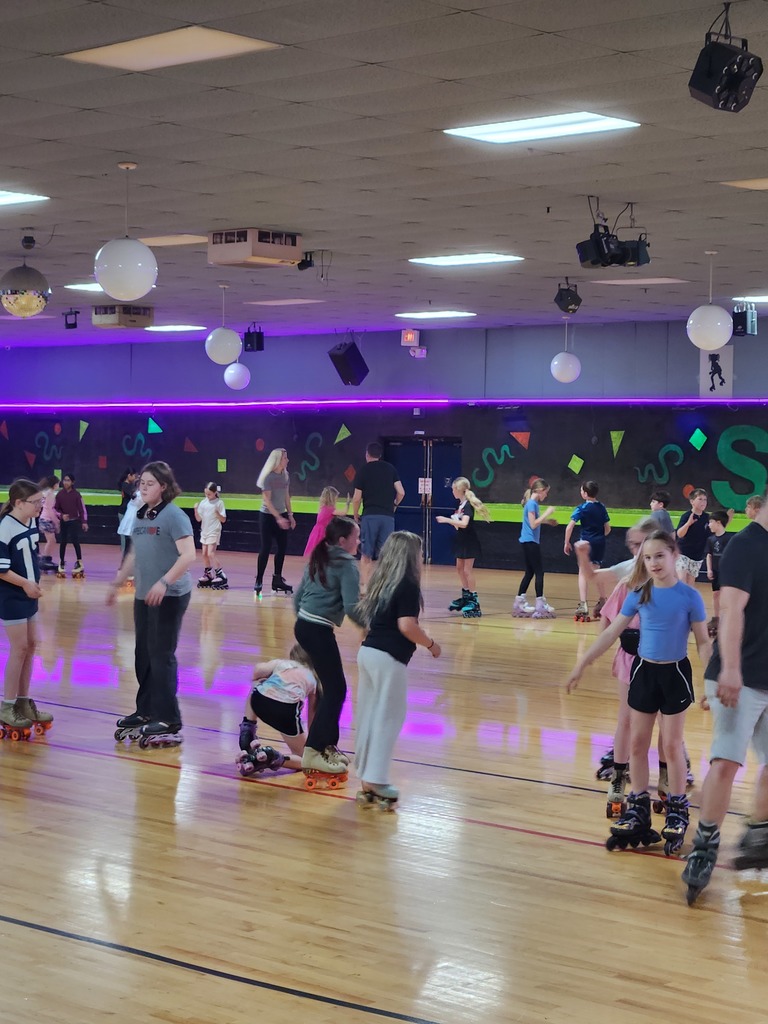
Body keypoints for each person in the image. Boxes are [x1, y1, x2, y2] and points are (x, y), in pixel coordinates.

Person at [566, 530, 710, 856]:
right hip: (643, 673)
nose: (654, 563)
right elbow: (612, 632)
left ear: (675, 555)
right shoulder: (639, 593)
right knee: (637, 743)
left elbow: (703, 642)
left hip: (674, 674)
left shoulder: (689, 597)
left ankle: (676, 808)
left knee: (672, 746)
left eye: (660, 555)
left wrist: (713, 681)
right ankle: (639, 805)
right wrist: (583, 663)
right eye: (647, 557)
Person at [682, 490, 768, 903]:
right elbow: (732, 610)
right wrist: (731, 668)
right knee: (727, 762)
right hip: (740, 677)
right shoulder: (745, 545)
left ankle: (758, 834)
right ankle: (705, 844)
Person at [108, 461, 196, 746]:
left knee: (161, 655)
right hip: (144, 594)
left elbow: (188, 556)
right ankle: (146, 711)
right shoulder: (140, 513)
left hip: (170, 595)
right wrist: (118, 581)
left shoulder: (174, 516)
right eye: (141, 483)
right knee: (142, 655)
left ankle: (169, 718)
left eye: (150, 484)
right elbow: (134, 552)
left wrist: (164, 582)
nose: (143, 487)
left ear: (164, 487)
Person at [354, 532, 441, 809]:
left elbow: (367, 623)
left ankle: (366, 778)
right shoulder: (407, 586)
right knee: (389, 718)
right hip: (388, 658)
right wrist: (430, 644)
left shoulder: (380, 582)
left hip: (367, 653)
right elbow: (407, 626)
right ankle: (377, 780)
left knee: (369, 715)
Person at [293, 516, 361, 777]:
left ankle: (326, 744)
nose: (360, 541)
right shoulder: (347, 565)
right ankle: (313, 750)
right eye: (356, 536)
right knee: (336, 689)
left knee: (328, 688)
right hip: (318, 630)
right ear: (343, 541)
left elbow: (298, 598)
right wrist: (375, 625)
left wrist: (306, 619)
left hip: (304, 626)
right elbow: (353, 608)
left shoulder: (318, 557)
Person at [0, 479, 53, 737]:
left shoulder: (30, 521)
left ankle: (23, 701)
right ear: (18, 503)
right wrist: (25, 584)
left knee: (31, 646)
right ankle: (7, 705)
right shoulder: (5, 527)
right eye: (35, 503)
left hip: (29, 593)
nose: (39, 507)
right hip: (12, 595)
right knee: (19, 648)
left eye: (41, 502)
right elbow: (1, 569)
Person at [236, 643, 318, 775]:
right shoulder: (314, 681)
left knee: (259, 683)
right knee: (308, 760)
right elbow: (312, 718)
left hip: (259, 701)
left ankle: (247, 729)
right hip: (284, 711)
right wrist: (313, 746)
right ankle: (273, 757)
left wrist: (265, 676)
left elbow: (256, 670)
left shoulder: (282, 664)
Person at [435, 476, 490, 619]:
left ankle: (474, 600)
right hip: (461, 540)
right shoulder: (460, 505)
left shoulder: (467, 506)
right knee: (459, 568)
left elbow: (465, 524)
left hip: (469, 541)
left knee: (467, 570)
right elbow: (459, 524)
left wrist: (447, 520)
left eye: (454, 489)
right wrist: (454, 521)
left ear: (460, 490)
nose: (452, 491)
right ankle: (466, 595)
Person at [351, 441, 405, 588]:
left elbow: (356, 498)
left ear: (367, 454)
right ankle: (384, 586)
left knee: (366, 554)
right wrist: (394, 505)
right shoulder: (390, 469)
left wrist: (356, 515)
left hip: (370, 515)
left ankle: (366, 587)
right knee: (386, 554)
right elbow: (401, 492)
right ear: (380, 455)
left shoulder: (363, 471)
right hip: (387, 517)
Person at [564, 480, 610, 621]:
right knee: (596, 572)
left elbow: (569, 526)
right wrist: (599, 537)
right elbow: (608, 528)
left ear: (585, 493)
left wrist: (566, 542)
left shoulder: (582, 508)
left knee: (583, 573)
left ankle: (583, 605)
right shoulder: (602, 507)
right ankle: (603, 601)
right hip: (599, 543)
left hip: (586, 544)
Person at [512, 477, 558, 619]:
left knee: (530, 572)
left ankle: (519, 602)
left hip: (527, 541)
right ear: (540, 490)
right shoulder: (532, 504)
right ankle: (540, 604)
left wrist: (546, 521)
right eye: (546, 492)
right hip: (530, 541)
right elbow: (532, 524)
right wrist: (547, 513)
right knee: (539, 572)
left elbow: (533, 522)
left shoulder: (531, 504)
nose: (546, 495)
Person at [255, 448, 295, 596]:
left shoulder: (285, 476)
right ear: (278, 460)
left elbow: (286, 496)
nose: (288, 460)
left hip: (282, 514)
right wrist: (278, 518)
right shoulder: (268, 478)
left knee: (282, 547)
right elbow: (267, 500)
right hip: (267, 516)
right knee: (265, 548)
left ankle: (277, 579)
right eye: (285, 457)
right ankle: (259, 580)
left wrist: (290, 515)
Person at [53, 473, 88, 579]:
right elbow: (55, 509)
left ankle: (79, 562)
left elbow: (82, 509)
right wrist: (61, 515)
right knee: (63, 541)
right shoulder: (59, 495)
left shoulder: (77, 495)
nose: (65, 482)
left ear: (72, 482)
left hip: (74, 521)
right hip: (64, 522)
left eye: (68, 480)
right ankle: (62, 562)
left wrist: (84, 521)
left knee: (75, 541)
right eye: (64, 480)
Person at [194, 482, 228, 590]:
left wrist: (217, 513)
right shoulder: (203, 503)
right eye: (206, 494)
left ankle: (221, 575)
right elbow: (199, 519)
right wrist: (195, 509)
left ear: (215, 493)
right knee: (204, 554)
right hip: (205, 531)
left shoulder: (219, 503)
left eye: (209, 494)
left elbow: (223, 519)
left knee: (211, 553)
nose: (207, 496)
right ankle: (208, 574)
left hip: (214, 530)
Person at [705, 510, 731, 638]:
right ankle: (716, 618)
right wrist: (709, 569)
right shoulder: (711, 539)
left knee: (726, 596)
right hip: (715, 571)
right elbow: (709, 555)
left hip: (726, 572)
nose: (709, 525)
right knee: (716, 594)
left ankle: (727, 618)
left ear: (718, 522)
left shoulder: (729, 539)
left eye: (711, 522)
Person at [304, 486, 344, 557]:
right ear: (332, 498)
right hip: (322, 533)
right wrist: (348, 504)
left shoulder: (324, 508)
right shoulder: (330, 509)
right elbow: (343, 513)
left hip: (318, 532)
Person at [37, 475, 60, 572]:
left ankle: (47, 559)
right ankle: (44, 560)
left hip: (44, 519)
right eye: (58, 483)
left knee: (51, 540)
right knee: (51, 541)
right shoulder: (50, 494)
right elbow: (50, 510)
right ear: (55, 485)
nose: (59, 485)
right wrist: (57, 522)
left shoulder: (46, 493)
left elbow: (49, 508)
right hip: (46, 520)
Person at [117, 467, 138, 554]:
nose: (135, 478)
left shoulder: (128, 485)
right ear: (129, 475)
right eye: (134, 476)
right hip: (124, 512)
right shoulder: (125, 485)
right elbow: (133, 495)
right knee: (124, 536)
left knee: (129, 536)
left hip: (128, 512)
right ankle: (124, 558)